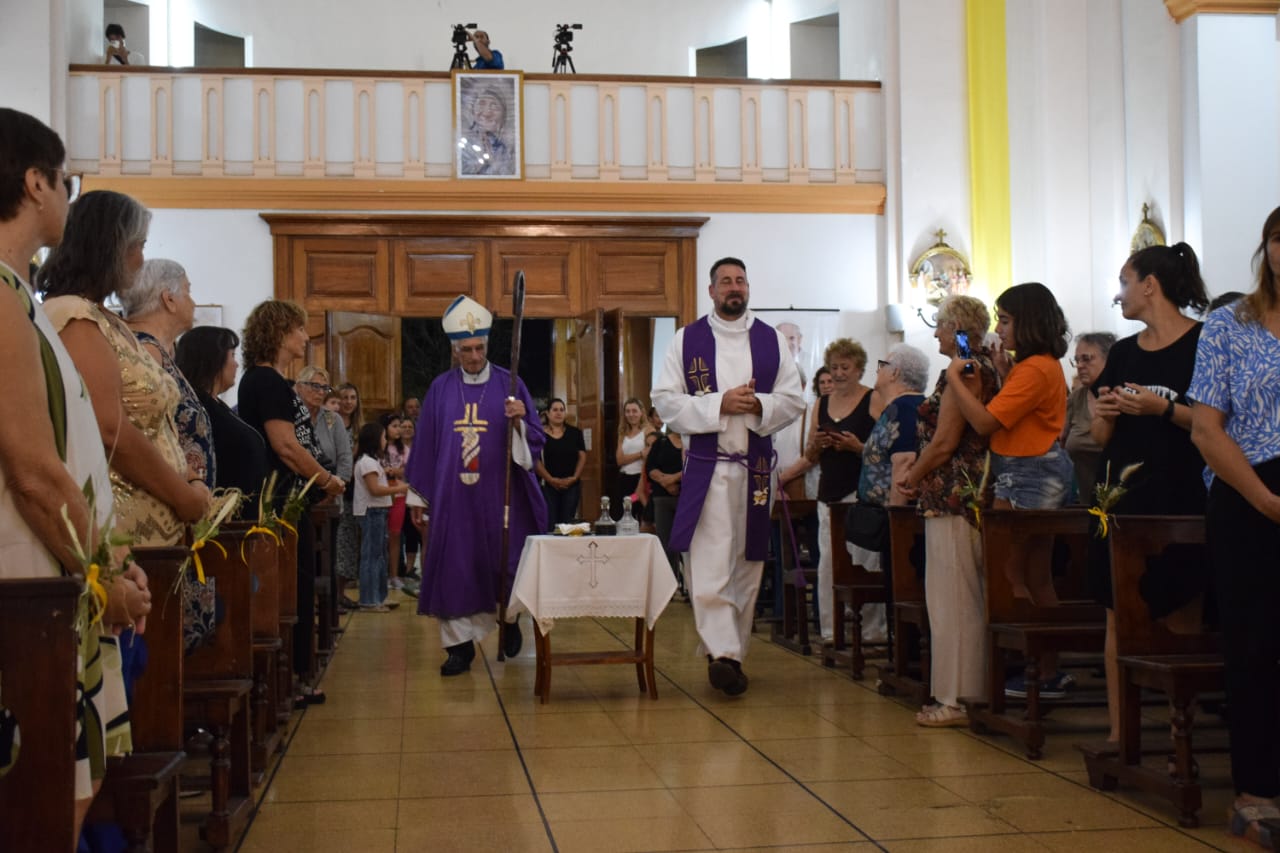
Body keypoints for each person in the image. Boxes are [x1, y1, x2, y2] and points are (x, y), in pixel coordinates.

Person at [0, 106, 150, 842]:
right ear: (34, 182)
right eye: (63, 180)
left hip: (53, 566)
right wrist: (105, 575)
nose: (68, 194)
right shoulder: (1, 294)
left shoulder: (19, 294)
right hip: (34, 578)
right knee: (50, 791)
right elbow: (33, 470)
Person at [652, 257, 805, 697]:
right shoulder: (688, 340)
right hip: (707, 469)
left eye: (740, 281)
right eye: (725, 282)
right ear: (711, 290)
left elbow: (793, 400)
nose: (733, 288)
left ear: (748, 288)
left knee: (748, 561)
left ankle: (733, 654)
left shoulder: (771, 340)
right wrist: (720, 404)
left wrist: (758, 405)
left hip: (754, 470)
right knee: (709, 562)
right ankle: (722, 653)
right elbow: (664, 401)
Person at [38, 191, 211, 545]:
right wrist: (181, 494)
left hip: (160, 533)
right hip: (123, 533)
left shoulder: (108, 320)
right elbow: (109, 428)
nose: (141, 258)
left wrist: (188, 479)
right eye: (139, 245)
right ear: (110, 247)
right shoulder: (73, 315)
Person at [1090, 242, 1209, 744]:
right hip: (1123, 497)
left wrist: (1160, 410)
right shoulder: (1121, 352)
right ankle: (1122, 734)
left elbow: (1211, 422)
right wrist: (1106, 413)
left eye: (1123, 282)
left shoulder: (1203, 343)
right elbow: (1100, 436)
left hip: (1181, 492)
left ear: (1150, 285)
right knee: (1120, 611)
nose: (1118, 295)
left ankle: (1185, 729)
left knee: (1183, 604)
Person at [1189, 205, 1280, 847]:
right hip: (1250, 492)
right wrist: (1265, 498)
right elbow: (1205, 427)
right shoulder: (1230, 325)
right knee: (1256, 644)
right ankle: (1258, 789)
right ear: (1267, 248)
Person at [406, 295, 547, 676]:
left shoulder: (511, 384)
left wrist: (519, 421)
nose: (473, 355)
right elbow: (425, 445)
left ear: (487, 345)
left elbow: (534, 443)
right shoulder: (440, 388)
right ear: (455, 351)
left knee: (506, 563)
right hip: (454, 500)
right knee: (456, 568)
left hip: (502, 497)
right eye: (465, 349)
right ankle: (458, 647)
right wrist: (417, 496)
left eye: (479, 347)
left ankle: (510, 619)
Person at [944, 282, 1074, 698]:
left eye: (1006, 319)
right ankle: (1045, 667)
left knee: (1009, 572)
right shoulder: (1038, 365)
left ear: (1028, 321)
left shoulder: (1037, 368)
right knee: (1035, 573)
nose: (1001, 329)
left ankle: (1032, 666)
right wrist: (1004, 374)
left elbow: (985, 424)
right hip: (1035, 467)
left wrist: (955, 383)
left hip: (1028, 473)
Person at [237, 299, 346, 702]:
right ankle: (290, 682)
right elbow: (285, 446)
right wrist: (327, 478)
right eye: (299, 329)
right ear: (281, 332)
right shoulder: (265, 381)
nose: (305, 336)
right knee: (287, 590)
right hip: (278, 501)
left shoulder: (273, 381)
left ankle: (296, 677)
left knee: (297, 586)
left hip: (289, 501)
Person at [897, 295, 998, 727]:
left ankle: (959, 698)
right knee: (951, 596)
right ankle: (956, 693)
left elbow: (945, 441)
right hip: (951, 494)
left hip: (956, 493)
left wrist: (911, 477)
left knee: (956, 598)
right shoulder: (973, 366)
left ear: (957, 325)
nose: (935, 331)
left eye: (940, 324)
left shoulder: (965, 370)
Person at [853, 344, 929, 654]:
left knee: (902, 586)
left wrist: (897, 522)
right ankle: (904, 653)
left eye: (881, 364)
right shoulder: (897, 407)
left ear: (895, 372)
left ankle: (907, 657)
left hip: (900, 522)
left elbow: (905, 464)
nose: (877, 370)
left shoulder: (906, 408)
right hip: (893, 518)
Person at [806, 338, 879, 644]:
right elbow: (809, 453)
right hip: (829, 492)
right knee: (828, 564)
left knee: (865, 562)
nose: (837, 374)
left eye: (844, 367)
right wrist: (818, 445)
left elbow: (882, 452)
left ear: (859, 369)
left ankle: (873, 631)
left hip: (861, 492)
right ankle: (831, 629)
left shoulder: (872, 399)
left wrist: (856, 446)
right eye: (834, 367)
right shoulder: (821, 404)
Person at [121, 258, 214, 487]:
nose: (193, 303)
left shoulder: (157, 350)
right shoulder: (145, 352)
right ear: (169, 299)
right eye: (187, 291)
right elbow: (142, 435)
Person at [175, 326, 269, 504]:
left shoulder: (216, 404)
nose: (237, 364)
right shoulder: (197, 407)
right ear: (214, 360)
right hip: (222, 517)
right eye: (232, 355)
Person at [353, 422, 409, 612]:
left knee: (380, 556)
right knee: (371, 557)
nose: (385, 441)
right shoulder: (367, 462)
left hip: (378, 511)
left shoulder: (372, 461)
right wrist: (402, 488)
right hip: (371, 511)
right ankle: (369, 600)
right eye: (383, 437)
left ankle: (379, 597)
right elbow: (375, 489)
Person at [1061, 332, 1116, 501]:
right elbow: (1062, 443)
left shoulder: (1125, 397)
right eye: (1077, 360)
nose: (1079, 366)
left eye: (1086, 359)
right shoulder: (1076, 398)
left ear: (1111, 359)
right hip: (1087, 505)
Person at [646, 426, 686, 598]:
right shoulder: (661, 443)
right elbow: (650, 468)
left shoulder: (690, 442)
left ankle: (686, 584)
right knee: (665, 542)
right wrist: (665, 482)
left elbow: (693, 466)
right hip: (662, 497)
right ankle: (668, 586)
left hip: (685, 498)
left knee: (684, 542)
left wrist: (674, 479)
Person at [535, 398, 587, 527]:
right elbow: (535, 460)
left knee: (567, 523)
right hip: (548, 485)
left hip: (571, 485)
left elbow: (582, 456)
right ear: (547, 413)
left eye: (561, 410)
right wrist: (551, 480)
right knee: (550, 523)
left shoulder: (575, 433)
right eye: (555, 410)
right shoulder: (539, 434)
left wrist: (574, 477)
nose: (558, 413)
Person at [379, 412, 410, 592]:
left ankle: (394, 574)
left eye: (400, 426)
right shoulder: (379, 447)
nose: (398, 430)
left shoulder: (403, 450)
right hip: (380, 495)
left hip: (398, 495)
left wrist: (395, 471)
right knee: (380, 536)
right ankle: (381, 575)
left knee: (395, 535)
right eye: (394, 426)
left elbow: (408, 470)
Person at [459, 85, 515, 176]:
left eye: (494, 106)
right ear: (472, 111)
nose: (487, 112)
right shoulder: (464, 144)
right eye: (481, 104)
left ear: (503, 115)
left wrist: (494, 163)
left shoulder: (506, 149)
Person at [614, 397, 651, 519]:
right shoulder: (622, 433)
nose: (631, 414)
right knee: (621, 514)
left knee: (638, 513)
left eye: (634, 411)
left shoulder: (648, 430)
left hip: (640, 479)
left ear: (641, 412)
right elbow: (619, 460)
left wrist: (629, 457)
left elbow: (649, 455)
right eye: (628, 411)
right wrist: (640, 454)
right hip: (624, 479)